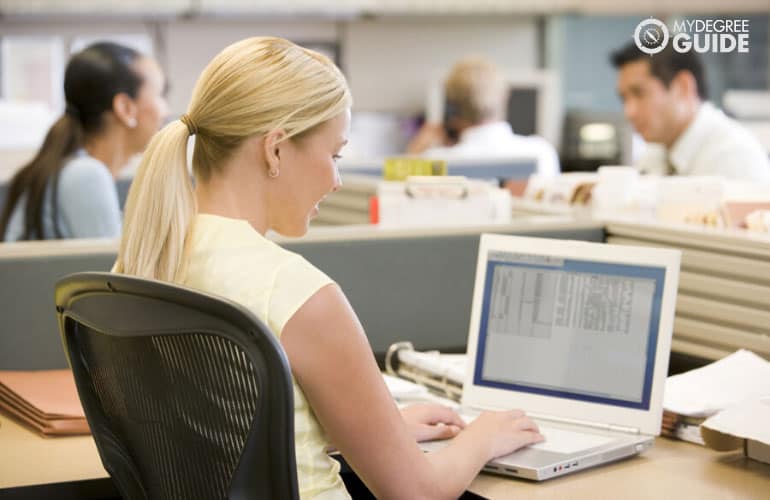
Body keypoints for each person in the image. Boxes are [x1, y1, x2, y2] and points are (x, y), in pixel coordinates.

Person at [114, 37, 543, 499]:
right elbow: (416, 493)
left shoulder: (147, 260)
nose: (337, 181)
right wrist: (484, 437)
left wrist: (380, 431)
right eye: (334, 155)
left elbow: (224, 430)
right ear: (275, 149)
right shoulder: (294, 292)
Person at [0, 42, 168, 241]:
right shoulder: (86, 175)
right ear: (125, 108)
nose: (165, 111)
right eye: (159, 95)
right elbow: (116, 270)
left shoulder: (72, 168)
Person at [611, 42, 769, 181]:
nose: (629, 112)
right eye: (624, 99)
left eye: (639, 93)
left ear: (683, 86)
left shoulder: (733, 160)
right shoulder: (655, 154)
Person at [407, 57, 560, 194]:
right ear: (504, 97)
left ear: (452, 107)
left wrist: (413, 154)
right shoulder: (541, 152)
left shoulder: (435, 161)